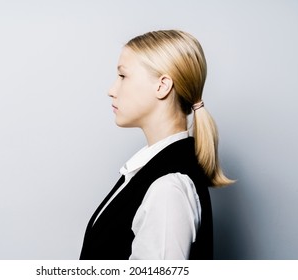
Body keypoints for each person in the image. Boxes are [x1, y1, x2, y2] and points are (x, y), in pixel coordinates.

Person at [80, 29, 234, 260]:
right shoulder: (149, 172)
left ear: (162, 86)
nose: (111, 90)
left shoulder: (167, 187)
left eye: (123, 76)